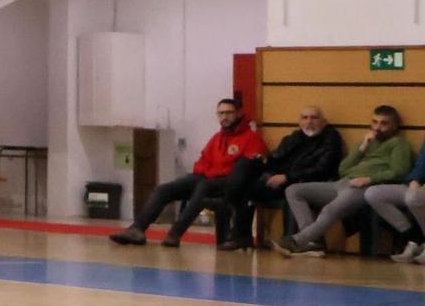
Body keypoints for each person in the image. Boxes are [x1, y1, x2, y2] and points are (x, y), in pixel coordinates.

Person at [108, 97, 263, 247]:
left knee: (203, 187)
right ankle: (137, 229)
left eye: (228, 113)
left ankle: (175, 234)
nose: (224, 117)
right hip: (205, 177)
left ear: (238, 113)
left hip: (226, 183)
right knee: (164, 189)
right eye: (220, 114)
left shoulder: (250, 138)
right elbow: (202, 162)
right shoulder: (217, 138)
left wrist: (211, 173)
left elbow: (244, 170)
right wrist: (205, 172)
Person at [277, 105, 415, 257]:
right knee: (294, 190)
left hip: (365, 188)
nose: (378, 127)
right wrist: (362, 148)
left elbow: (399, 172)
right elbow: (343, 169)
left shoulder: (399, 144)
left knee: (330, 210)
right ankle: (312, 242)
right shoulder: (367, 142)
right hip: (342, 183)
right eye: (375, 122)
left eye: (384, 123)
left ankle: (297, 240)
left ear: (394, 125)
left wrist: (369, 179)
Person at [217, 105, 341, 250]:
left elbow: (322, 169)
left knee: (290, 190)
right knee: (246, 172)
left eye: (314, 117)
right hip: (281, 180)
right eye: (305, 118)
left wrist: (287, 177)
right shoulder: (294, 138)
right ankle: (241, 236)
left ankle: (294, 241)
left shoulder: (331, 138)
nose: (309, 121)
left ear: (323, 122)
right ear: (299, 122)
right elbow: (275, 158)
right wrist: (260, 161)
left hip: (307, 182)